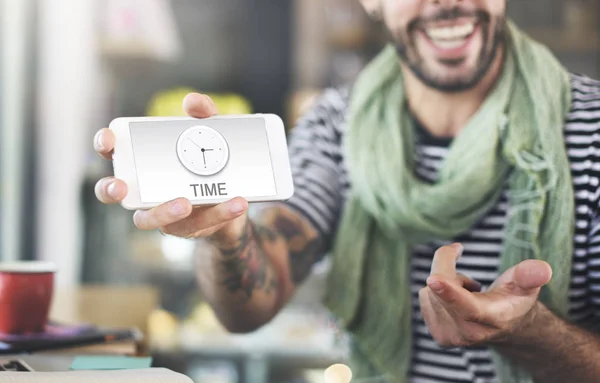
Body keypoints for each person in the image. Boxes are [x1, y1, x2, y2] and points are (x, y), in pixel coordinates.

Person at [93, 0, 600, 382]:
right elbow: (248, 306)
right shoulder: (336, 124)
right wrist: (227, 234)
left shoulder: (592, 127)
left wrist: (533, 333)